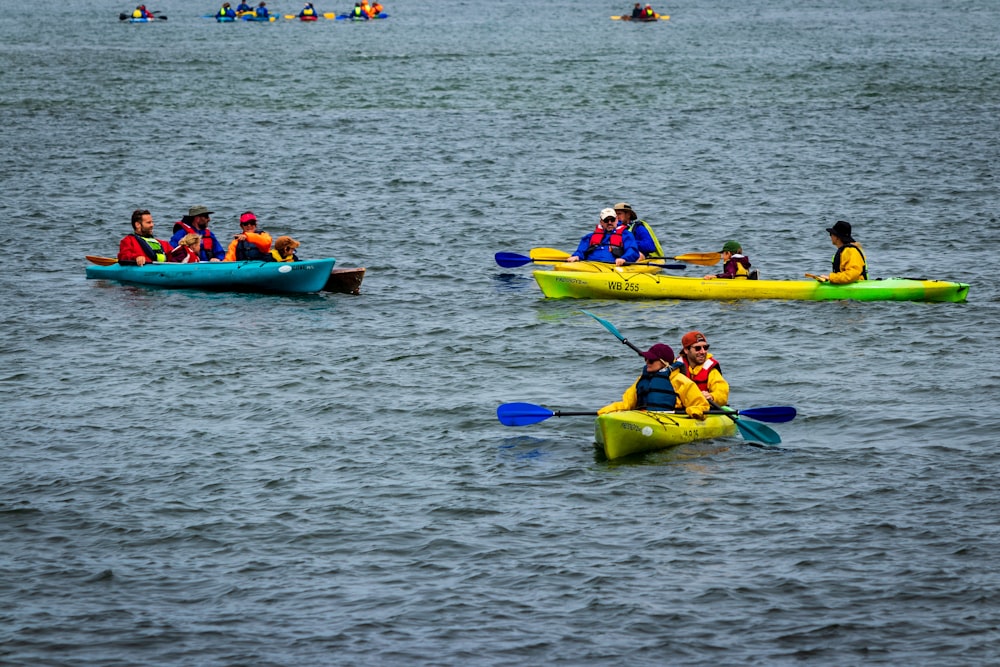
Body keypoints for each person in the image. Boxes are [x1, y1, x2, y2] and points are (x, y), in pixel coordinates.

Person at [597, 343, 709, 419]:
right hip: (645, 418)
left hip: (672, 418)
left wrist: (695, 411)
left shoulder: (679, 380)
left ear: (664, 362)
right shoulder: (641, 379)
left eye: (651, 360)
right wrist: (609, 411)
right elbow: (627, 403)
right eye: (646, 359)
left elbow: (700, 404)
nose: (647, 362)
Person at [567, 208, 640, 267]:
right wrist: (576, 256)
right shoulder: (590, 236)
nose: (609, 222)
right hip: (590, 266)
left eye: (612, 220)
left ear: (617, 220)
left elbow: (632, 250)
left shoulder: (626, 235)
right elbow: (580, 251)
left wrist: (624, 259)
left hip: (613, 266)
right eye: (606, 220)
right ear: (601, 222)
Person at [677, 331, 729, 406]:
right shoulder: (676, 367)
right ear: (686, 350)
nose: (703, 352)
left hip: (706, 409)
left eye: (705, 347)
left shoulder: (711, 369)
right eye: (697, 348)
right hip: (682, 410)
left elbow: (722, 391)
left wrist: (712, 397)